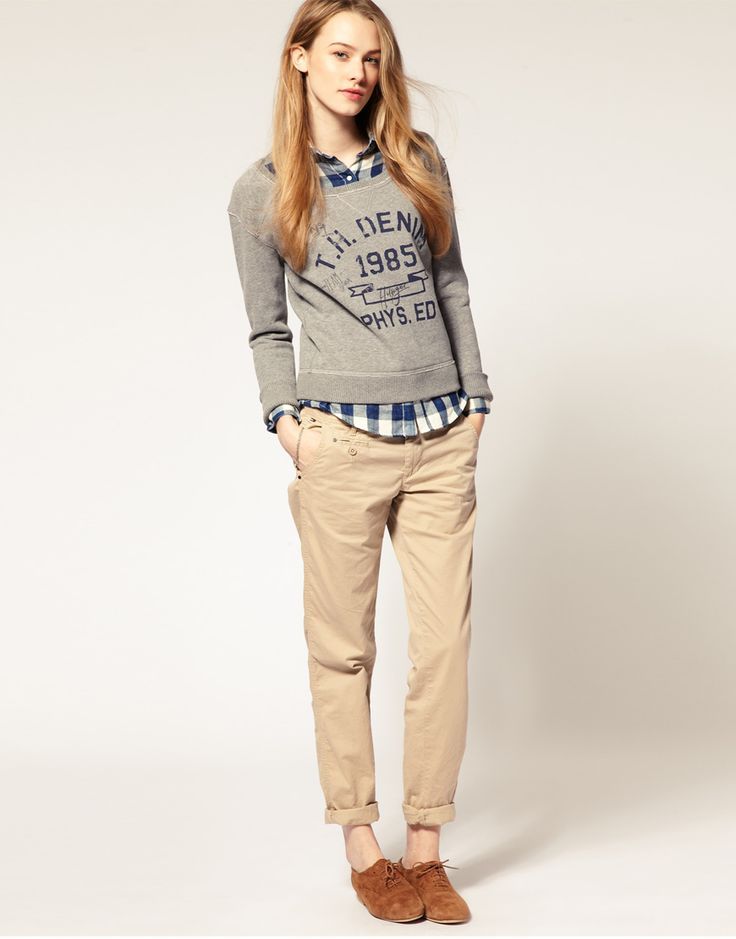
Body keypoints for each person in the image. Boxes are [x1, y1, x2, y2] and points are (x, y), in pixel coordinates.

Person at [227, 0, 493, 924]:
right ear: (300, 59)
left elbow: (450, 283)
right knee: (343, 650)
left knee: (444, 646)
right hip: (340, 444)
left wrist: (476, 398)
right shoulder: (264, 190)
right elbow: (266, 325)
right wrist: (288, 423)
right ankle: (363, 847)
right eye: (340, 54)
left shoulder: (418, 162)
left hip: (440, 437)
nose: (358, 73)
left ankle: (426, 847)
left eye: (372, 58)